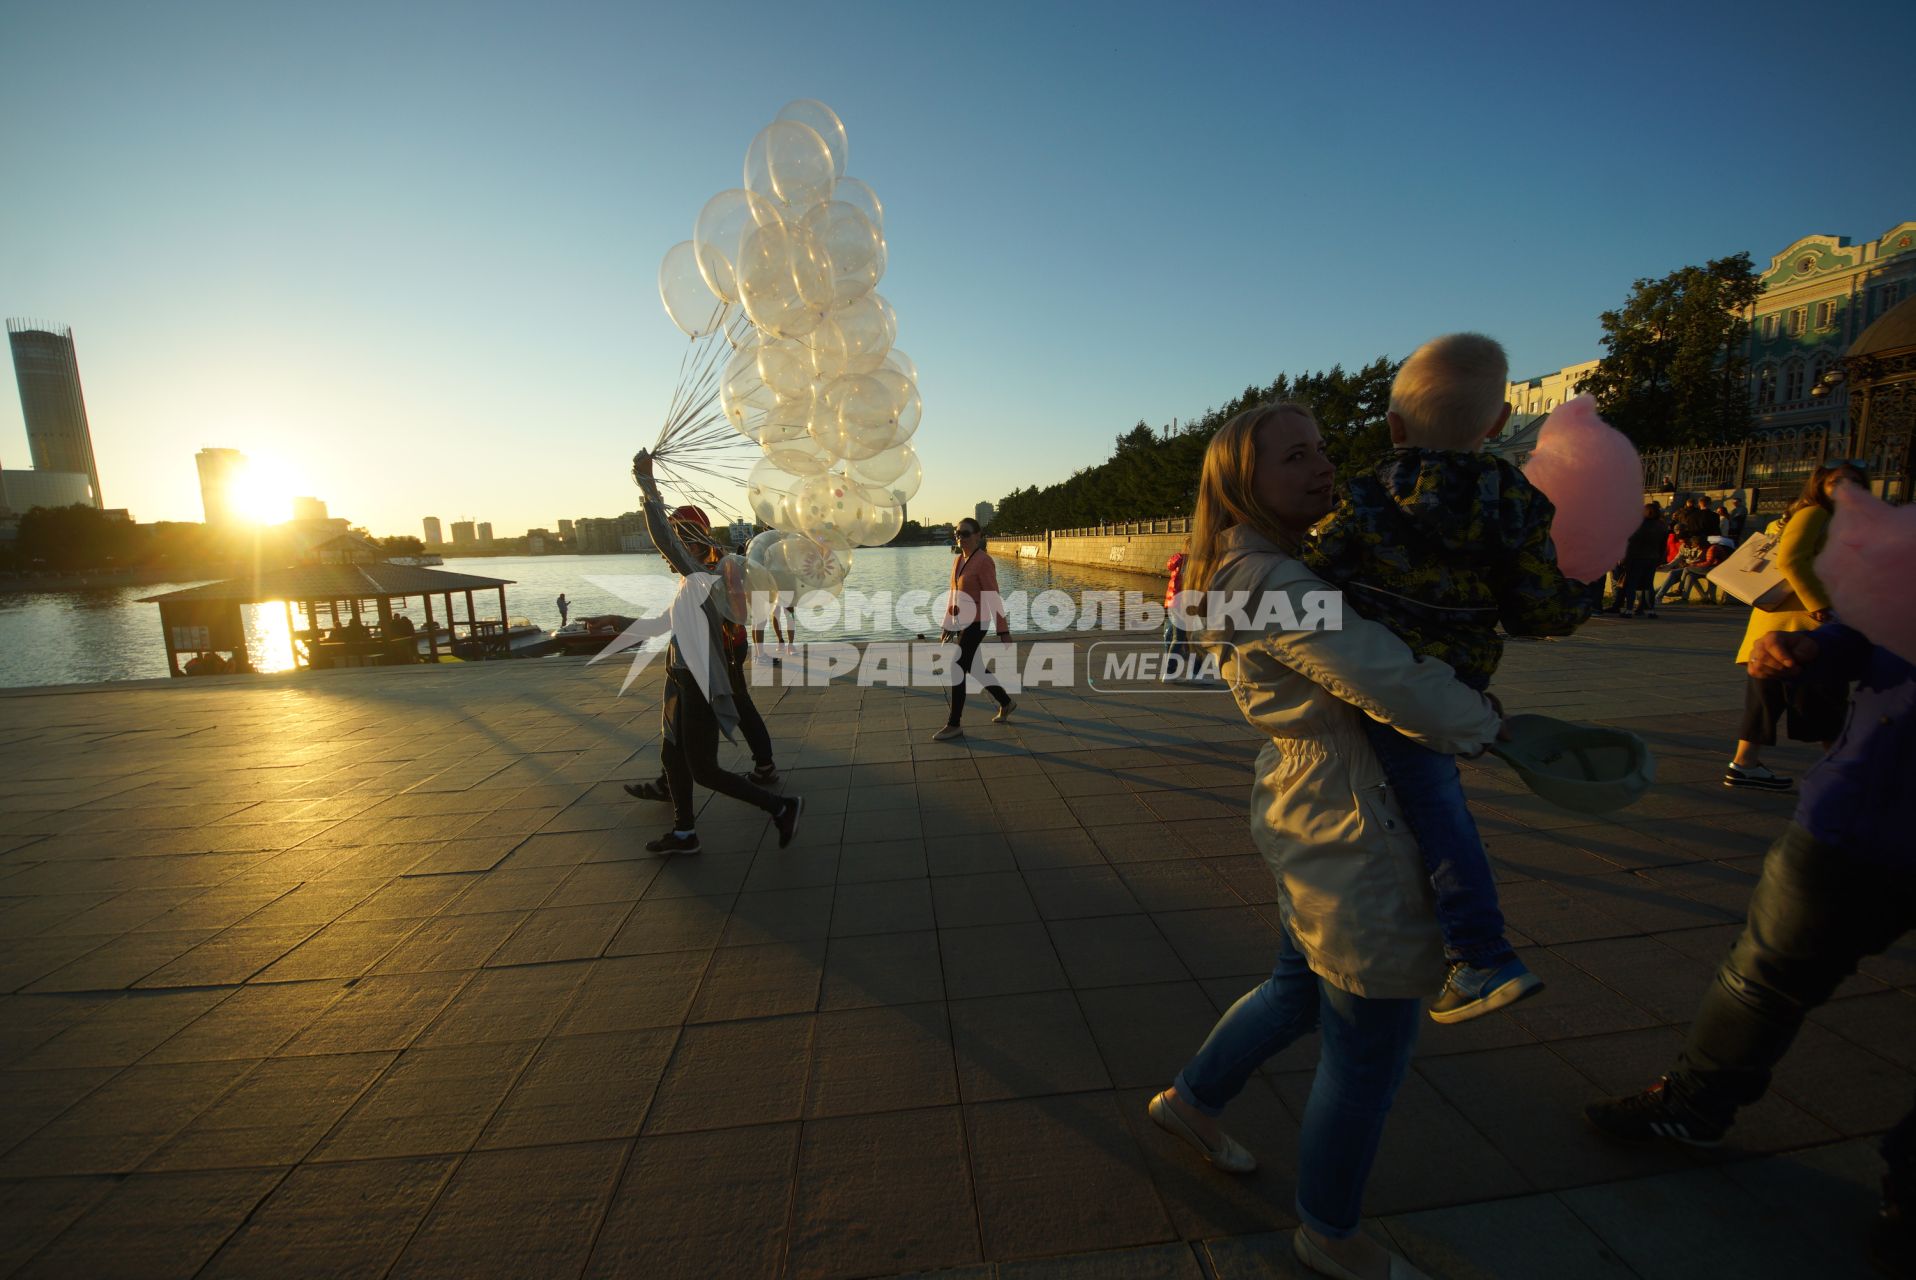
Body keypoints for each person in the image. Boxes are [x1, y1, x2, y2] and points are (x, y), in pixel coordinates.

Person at [1148, 402, 1503, 1280]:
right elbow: (1392, 681)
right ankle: (1329, 1234)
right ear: (1244, 482)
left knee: (1298, 988)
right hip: (1355, 824)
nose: (1321, 467)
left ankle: (1192, 1102)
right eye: (1295, 456)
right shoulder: (1276, 582)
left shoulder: (1246, 565)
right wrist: (1491, 723)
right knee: (1368, 1047)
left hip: (1315, 808)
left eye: (1323, 451)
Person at [1584, 617, 1915, 1275]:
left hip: (1865, 807)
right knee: (1761, 976)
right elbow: (1876, 619)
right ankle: (1696, 1101)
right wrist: (1813, 645)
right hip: (1863, 812)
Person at [1309, 333, 1588, 1021]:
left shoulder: (1368, 494)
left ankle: (1481, 951)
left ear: (1394, 426)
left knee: (1430, 807)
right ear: (1497, 424)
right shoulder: (1516, 500)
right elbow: (1537, 610)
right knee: (1430, 799)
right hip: (1458, 678)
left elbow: (1321, 576)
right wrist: (1584, 592)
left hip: (1393, 681)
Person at [621, 450, 801, 855]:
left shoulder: (704, 576)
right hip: (680, 679)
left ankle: (780, 806)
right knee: (672, 755)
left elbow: (664, 541)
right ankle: (684, 832)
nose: (668, 554)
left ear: (691, 542)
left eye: (680, 539)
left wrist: (646, 484)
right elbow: (667, 624)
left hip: (699, 684)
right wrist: (616, 623)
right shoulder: (700, 579)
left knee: (703, 769)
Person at [1725, 463, 1866, 791]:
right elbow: (1790, 559)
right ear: (1820, 486)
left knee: (1766, 699)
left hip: (1777, 625)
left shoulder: (1802, 516)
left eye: (1857, 483)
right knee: (1825, 697)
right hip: (1804, 623)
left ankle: (1744, 764)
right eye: (1838, 482)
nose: (1848, 488)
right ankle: (1841, 775)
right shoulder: (1818, 513)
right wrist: (1821, 606)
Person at [933, 516, 1014, 741]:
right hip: (961, 621)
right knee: (975, 667)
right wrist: (948, 623)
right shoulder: (959, 560)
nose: (960, 538)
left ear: (978, 536)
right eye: (958, 534)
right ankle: (1006, 703)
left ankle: (954, 724)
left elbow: (993, 595)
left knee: (957, 665)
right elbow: (954, 595)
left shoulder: (984, 561)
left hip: (979, 621)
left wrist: (1003, 631)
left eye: (966, 533)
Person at [1615, 501, 1667, 617]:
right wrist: (1660, 558)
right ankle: (1651, 610)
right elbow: (1663, 545)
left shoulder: (1637, 525)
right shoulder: (1661, 526)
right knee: (1648, 585)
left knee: (1632, 584)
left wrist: (1624, 557)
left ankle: (1629, 609)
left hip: (1636, 557)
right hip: (1652, 558)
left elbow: (1630, 543)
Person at [1163, 538, 1190, 676]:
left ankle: (1171, 659)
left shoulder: (1178, 560)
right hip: (1180, 604)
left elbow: (1169, 564)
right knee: (1178, 637)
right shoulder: (1188, 562)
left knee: (1169, 634)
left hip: (1170, 602)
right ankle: (1170, 669)